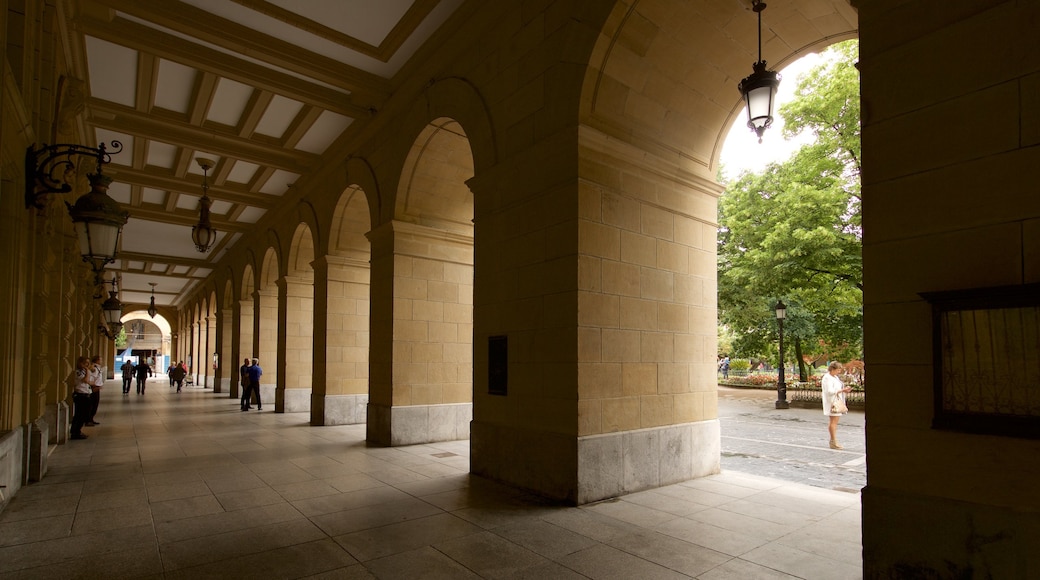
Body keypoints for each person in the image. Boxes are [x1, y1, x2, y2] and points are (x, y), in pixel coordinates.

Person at [822, 361, 853, 449]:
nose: (839, 371)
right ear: (833, 369)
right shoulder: (827, 378)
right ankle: (833, 441)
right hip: (832, 402)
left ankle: (833, 440)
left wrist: (844, 390)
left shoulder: (834, 377)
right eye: (838, 369)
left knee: (834, 421)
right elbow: (829, 391)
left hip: (837, 400)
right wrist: (842, 390)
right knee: (833, 422)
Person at [68, 356, 92, 439]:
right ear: (80, 363)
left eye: (88, 363)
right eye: (85, 363)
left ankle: (77, 430)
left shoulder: (83, 371)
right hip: (80, 395)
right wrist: (88, 372)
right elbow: (86, 380)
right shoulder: (78, 372)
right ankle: (75, 432)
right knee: (79, 414)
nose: (87, 365)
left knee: (84, 414)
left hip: (86, 394)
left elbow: (89, 381)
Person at [87, 355, 104, 426]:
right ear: (97, 360)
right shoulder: (93, 368)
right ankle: (88, 420)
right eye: (100, 360)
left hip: (97, 387)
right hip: (94, 388)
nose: (101, 361)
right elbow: (91, 378)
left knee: (95, 405)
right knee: (92, 405)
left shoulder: (97, 367)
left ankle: (91, 419)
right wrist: (94, 386)